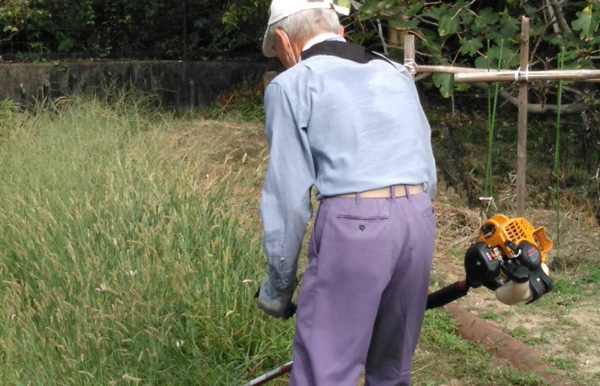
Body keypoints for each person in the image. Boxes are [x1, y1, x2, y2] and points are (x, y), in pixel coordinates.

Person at [256, 1, 437, 385]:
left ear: (284, 41)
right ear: (339, 31)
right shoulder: (395, 73)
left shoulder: (292, 84)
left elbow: (289, 200)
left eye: (276, 52)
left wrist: (279, 286)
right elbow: (427, 167)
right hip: (419, 219)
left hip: (355, 226)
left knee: (327, 372)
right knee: (392, 370)